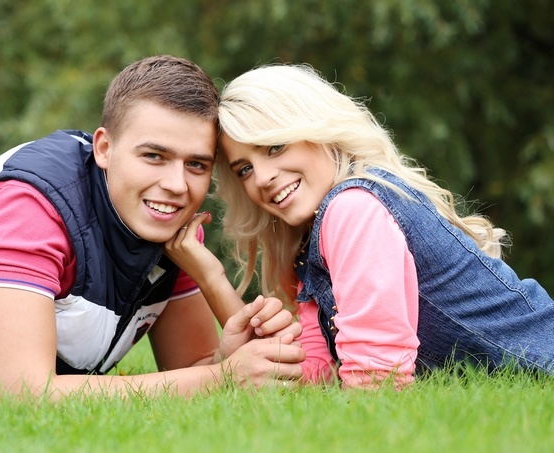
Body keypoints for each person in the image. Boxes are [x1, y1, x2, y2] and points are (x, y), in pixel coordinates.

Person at [0, 55, 305, 397]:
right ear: (104, 148)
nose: (177, 185)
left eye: (196, 164)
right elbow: (22, 394)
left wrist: (225, 360)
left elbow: (190, 373)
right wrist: (222, 377)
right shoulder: (30, 207)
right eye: (154, 156)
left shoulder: (170, 232)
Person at [172, 63, 554, 389]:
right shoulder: (312, 239)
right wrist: (211, 277)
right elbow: (313, 373)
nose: (263, 177)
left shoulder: (353, 208)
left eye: (275, 147)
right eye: (244, 169)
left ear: (318, 131)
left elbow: (376, 378)